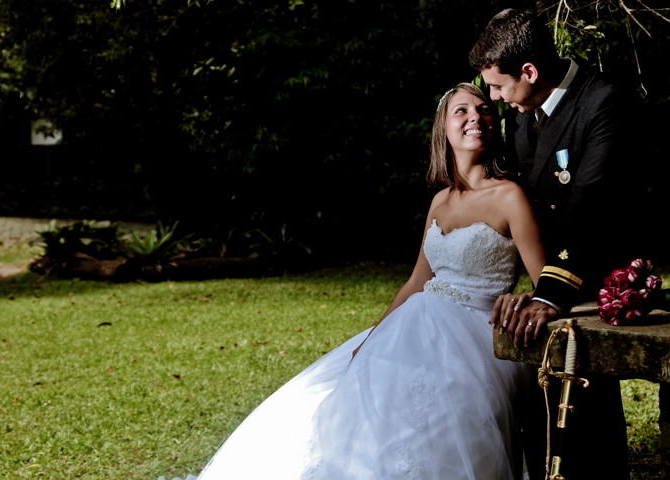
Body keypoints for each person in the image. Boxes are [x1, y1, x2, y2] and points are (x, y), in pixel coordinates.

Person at [171, 83, 547, 480]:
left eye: (485, 109)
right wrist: (373, 337)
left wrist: (526, 299)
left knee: (437, 413)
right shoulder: (440, 202)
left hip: (474, 334)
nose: (476, 117)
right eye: (462, 111)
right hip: (414, 326)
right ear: (443, 129)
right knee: (347, 400)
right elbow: (418, 280)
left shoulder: (509, 197)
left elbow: (546, 282)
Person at [468, 8, 639, 480]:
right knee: (547, 418)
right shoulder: (525, 112)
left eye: (499, 87)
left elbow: (591, 204)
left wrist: (550, 292)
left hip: (596, 280)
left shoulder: (604, 100)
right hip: (548, 277)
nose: (497, 100)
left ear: (530, 71)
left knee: (590, 416)